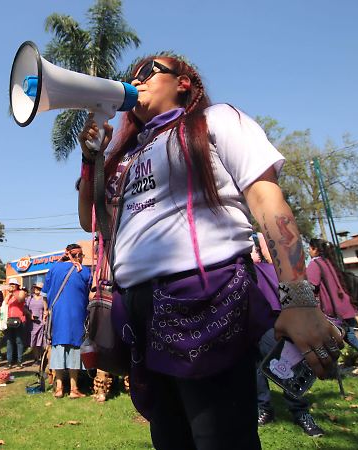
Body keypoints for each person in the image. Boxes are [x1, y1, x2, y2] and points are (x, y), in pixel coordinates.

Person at [76, 54, 341, 448]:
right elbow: (90, 220)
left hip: (205, 300)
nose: (137, 81)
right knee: (170, 438)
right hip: (140, 311)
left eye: (149, 73)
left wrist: (299, 298)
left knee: (219, 438)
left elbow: (266, 199)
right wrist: (91, 158)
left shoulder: (216, 121)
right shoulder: (128, 156)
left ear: (184, 83)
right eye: (132, 76)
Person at [307, 239, 358, 383]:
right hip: (344, 307)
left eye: (309, 248)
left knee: (326, 342)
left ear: (315, 249)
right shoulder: (330, 263)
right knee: (352, 338)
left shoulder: (315, 264)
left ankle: (331, 372)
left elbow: (311, 285)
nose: (308, 251)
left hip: (331, 311)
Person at [42, 244, 91, 399]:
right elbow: (91, 295)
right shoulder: (84, 271)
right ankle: (74, 389)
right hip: (77, 317)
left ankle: (58, 388)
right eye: (82, 256)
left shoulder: (53, 269)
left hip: (58, 316)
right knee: (75, 350)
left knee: (58, 349)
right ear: (78, 255)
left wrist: (46, 311)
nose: (83, 259)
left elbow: (44, 294)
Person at [3, 279, 27, 368]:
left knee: (19, 341)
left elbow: (20, 300)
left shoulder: (21, 292)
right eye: (10, 284)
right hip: (10, 321)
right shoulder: (9, 294)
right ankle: (9, 361)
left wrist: (13, 293)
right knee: (9, 341)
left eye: (13, 284)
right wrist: (9, 294)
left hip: (19, 320)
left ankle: (19, 361)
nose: (11, 285)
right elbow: (5, 303)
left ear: (17, 285)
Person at [26, 283, 48, 365]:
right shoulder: (30, 298)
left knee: (42, 342)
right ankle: (36, 358)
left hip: (41, 323)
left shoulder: (44, 298)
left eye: (39, 288)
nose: (37, 289)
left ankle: (42, 358)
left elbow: (46, 310)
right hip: (32, 324)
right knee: (33, 342)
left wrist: (44, 318)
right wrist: (29, 314)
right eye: (35, 288)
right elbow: (25, 308)